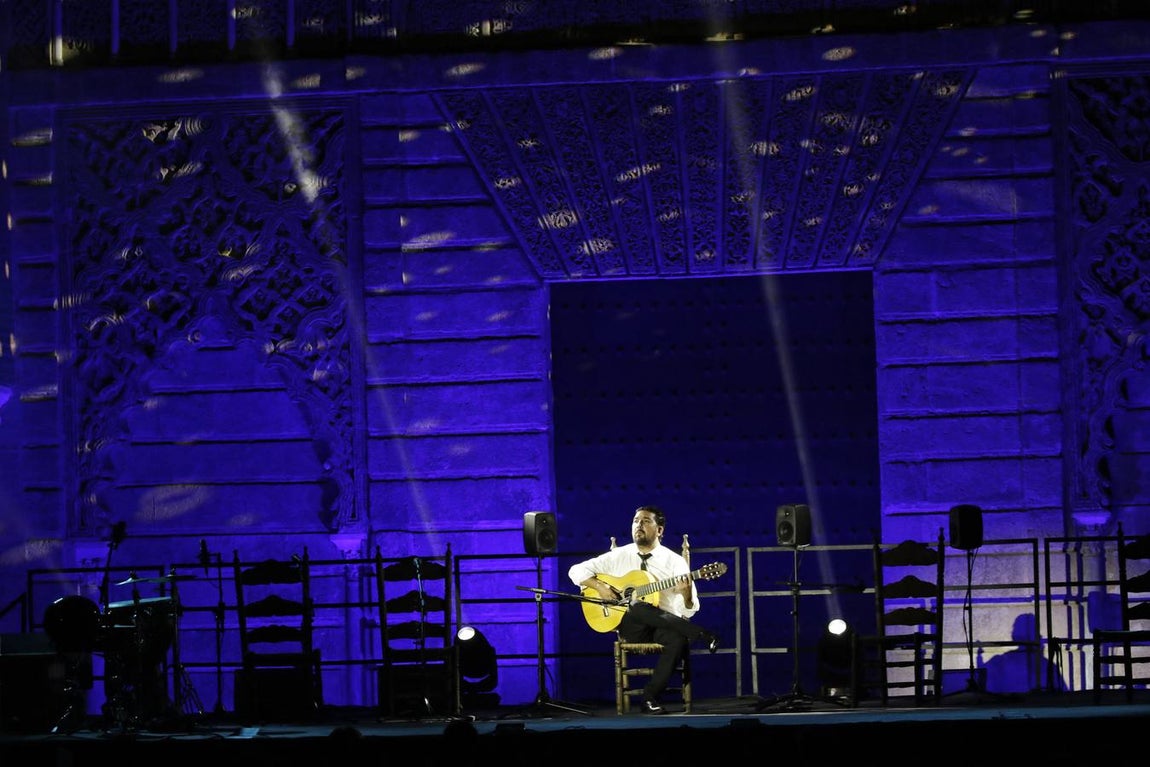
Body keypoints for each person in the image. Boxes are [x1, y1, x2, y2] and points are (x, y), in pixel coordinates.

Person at [568, 504, 719, 714]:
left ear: (659, 530)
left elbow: (689, 610)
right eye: (636, 521)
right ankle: (702, 634)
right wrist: (601, 587)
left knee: (678, 639)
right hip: (632, 626)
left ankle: (649, 698)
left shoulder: (674, 562)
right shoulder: (619, 555)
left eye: (646, 521)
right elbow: (575, 571)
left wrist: (685, 594)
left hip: (663, 624)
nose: (639, 525)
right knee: (636, 606)